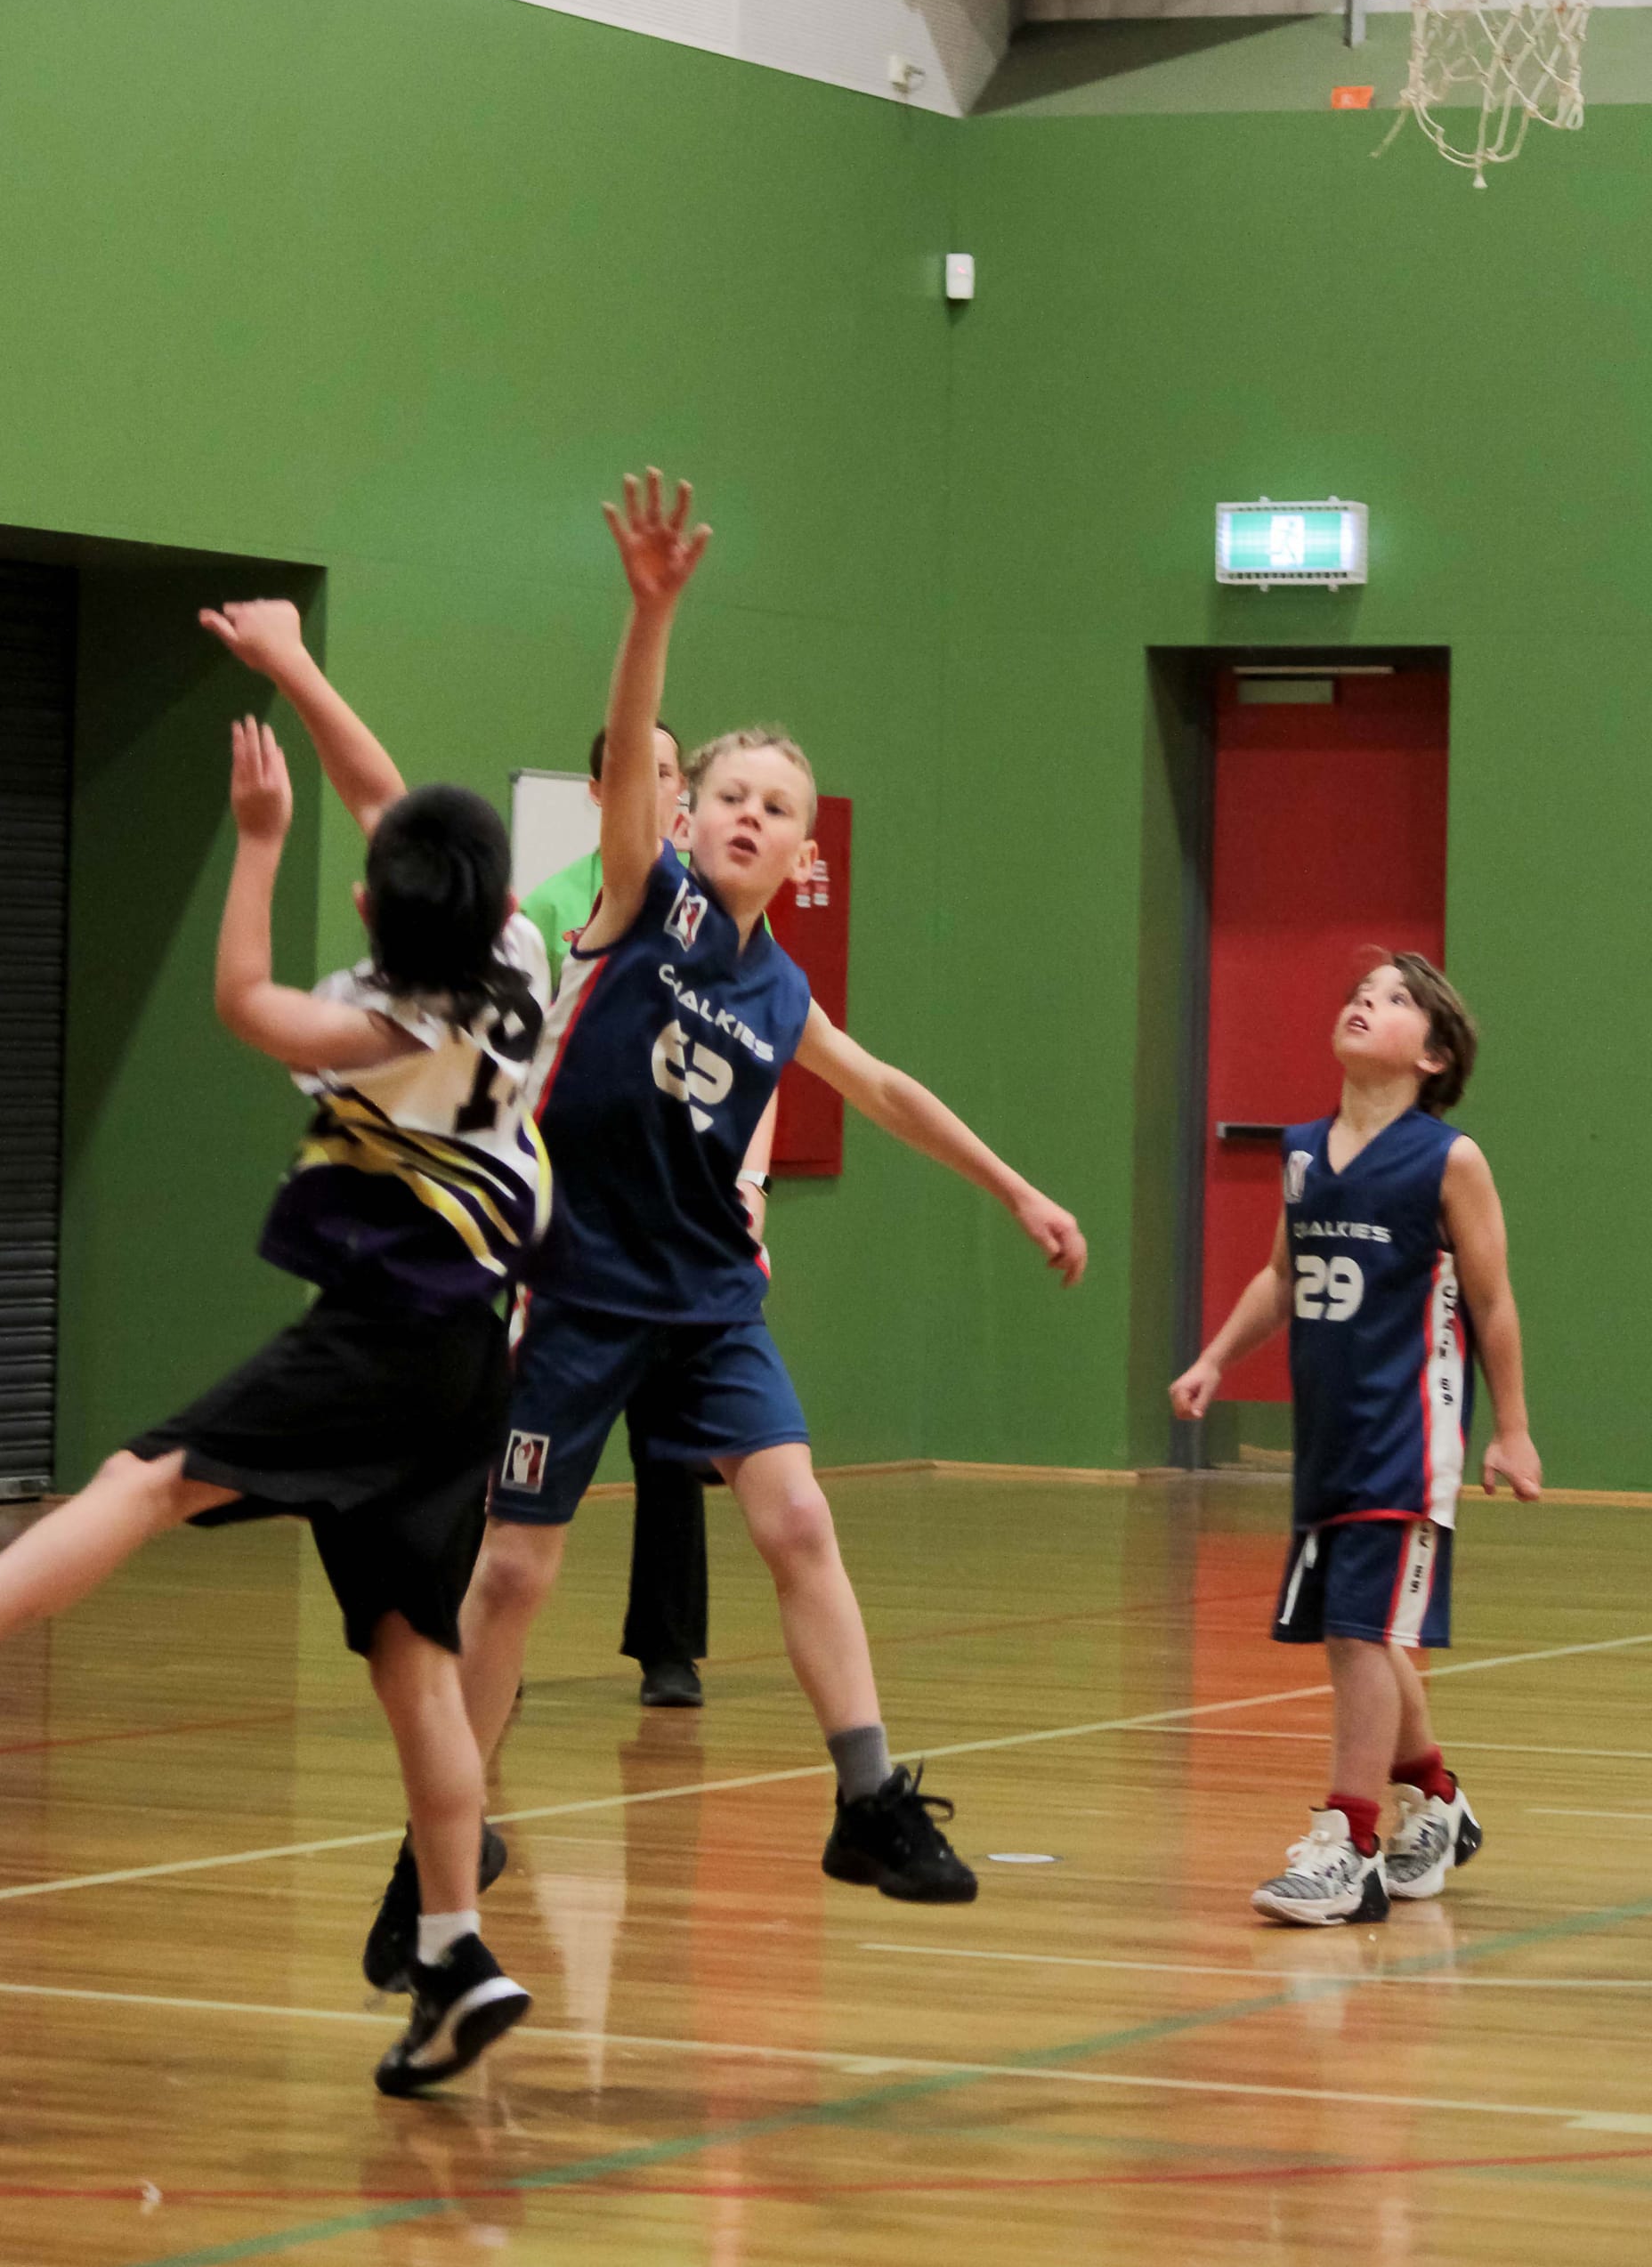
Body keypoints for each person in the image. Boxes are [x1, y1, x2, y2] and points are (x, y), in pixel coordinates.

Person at [365, 466, 1087, 1977]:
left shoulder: (779, 987)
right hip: (580, 1287)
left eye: (779, 807)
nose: (750, 816)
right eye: (729, 796)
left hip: (708, 1297)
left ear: (803, 851)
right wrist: (653, 614)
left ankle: (869, 1796)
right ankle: (440, 1841)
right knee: (515, 1575)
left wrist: (1016, 1186)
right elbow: (628, 751)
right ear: (685, 817)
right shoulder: (643, 904)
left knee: (800, 1516)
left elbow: (882, 1089)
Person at [0, 663, 549, 2098]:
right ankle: (454, 1954)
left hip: (378, 1337)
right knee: (411, 1663)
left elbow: (247, 998)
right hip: (471, 1363)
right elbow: (394, 803)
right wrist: (301, 672)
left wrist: (253, 840)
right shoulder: (523, 970)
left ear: (372, 910)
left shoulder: (369, 1030)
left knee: (151, 1476)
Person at [1170, 953, 1542, 1928]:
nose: (1362, 1004)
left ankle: (1350, 1843)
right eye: (1359, 993)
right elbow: (1280, 1277)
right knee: (1363, 1633)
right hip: (1328, 1436)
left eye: (1391, 1001)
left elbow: (1494, 1305)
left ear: (1431, 1054)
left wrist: (1512, 1429)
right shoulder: (1302, 1151)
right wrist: (1213, 1358)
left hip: (1409, 1436)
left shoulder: (1447, 1161)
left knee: (1354, 1634)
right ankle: (1439, 1800)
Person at [525, 722, 777, 1710]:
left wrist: (748, 1190)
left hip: (676, 1228)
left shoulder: (724, 917)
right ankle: (480, 1639)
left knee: (673, 1447)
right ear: (601, 787)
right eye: (645, 769)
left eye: (676, 773)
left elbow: (771, 1060)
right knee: (517, 1446)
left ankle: (666, 1647)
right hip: (566, 1221)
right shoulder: (557, 905)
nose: (662, 787)